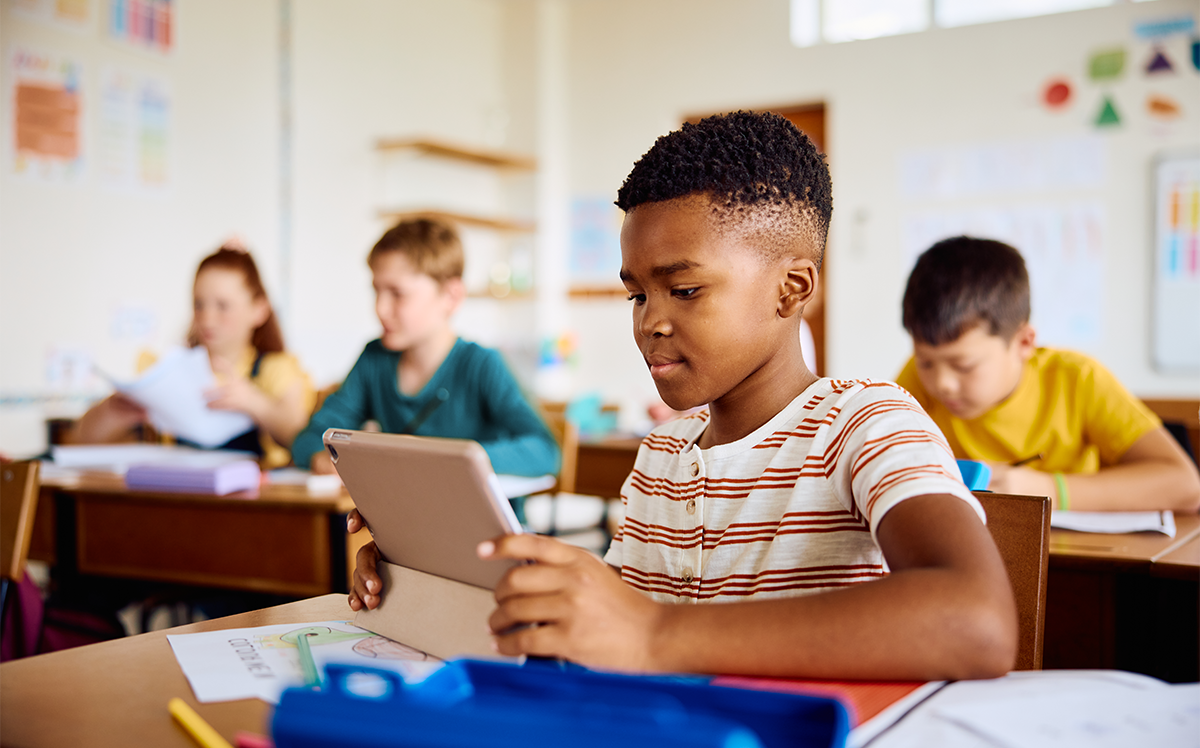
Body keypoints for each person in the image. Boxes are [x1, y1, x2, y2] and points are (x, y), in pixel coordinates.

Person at [349, 112, 1017, 681]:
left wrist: (656, 635)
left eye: (685, 289)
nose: (649, 321)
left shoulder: (867, 422)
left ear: (791, 290)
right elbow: (624, 611)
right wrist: (436, 565)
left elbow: (977, 622)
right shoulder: (665, 452)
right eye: (637, 293)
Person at [895, 237, 1200, 513]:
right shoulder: (914, 381)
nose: (942, 383)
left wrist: (1049, 490)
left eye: (964, 366)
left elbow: (1186, 486)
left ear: (1024, 342)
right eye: (925, 362)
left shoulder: (1076, 379)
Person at [292, 217, 559, 479]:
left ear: (451, 297)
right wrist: (320, 457)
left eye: (397, 294)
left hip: (483, 520)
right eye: (376, 291)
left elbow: (546, 451)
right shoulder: (374, 359)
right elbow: (310, 438)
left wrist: (456, 460)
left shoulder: (481, 365)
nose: (380, 309)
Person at [68, 243, 315, 469]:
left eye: (222, 306)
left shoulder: (276, 368)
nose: (207, 319)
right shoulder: (167, 369)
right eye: (199, 304)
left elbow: (299, 434)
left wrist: (253, 402)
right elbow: (78, 441)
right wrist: (114, 411)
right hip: (179, 496)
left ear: (259, 310)